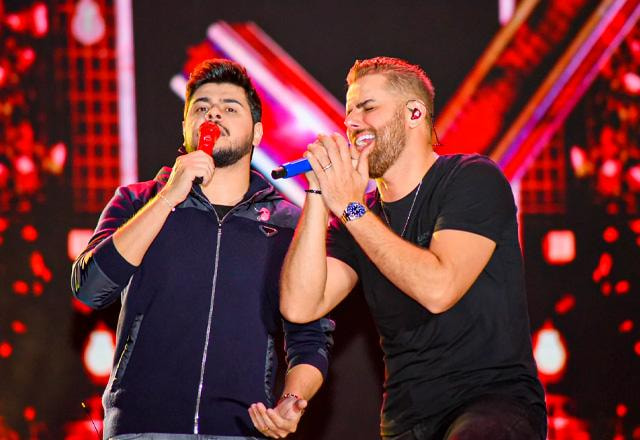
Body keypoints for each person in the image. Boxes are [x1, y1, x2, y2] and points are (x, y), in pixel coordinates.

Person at [280, 57, 546, 439]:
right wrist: (320, 192)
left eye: (368, 107)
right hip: (408, 418)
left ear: (414, 113)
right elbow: (300, 305)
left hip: (491, 403)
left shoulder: (471, 178)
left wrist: (351, 207)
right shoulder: (358, 216)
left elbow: (439, 289)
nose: (352, 122)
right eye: (349, 112)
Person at [71, 58, 333, 440]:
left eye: (230, 107)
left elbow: (310, 335)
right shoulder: (137, 201)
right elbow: (91, 289)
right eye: (202, 106)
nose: (214, 113)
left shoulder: (288, 222)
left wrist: (293, 398)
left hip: (241, 431)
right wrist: (165, 200)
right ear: (186, 127)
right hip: (143, 429)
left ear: (257, 133)